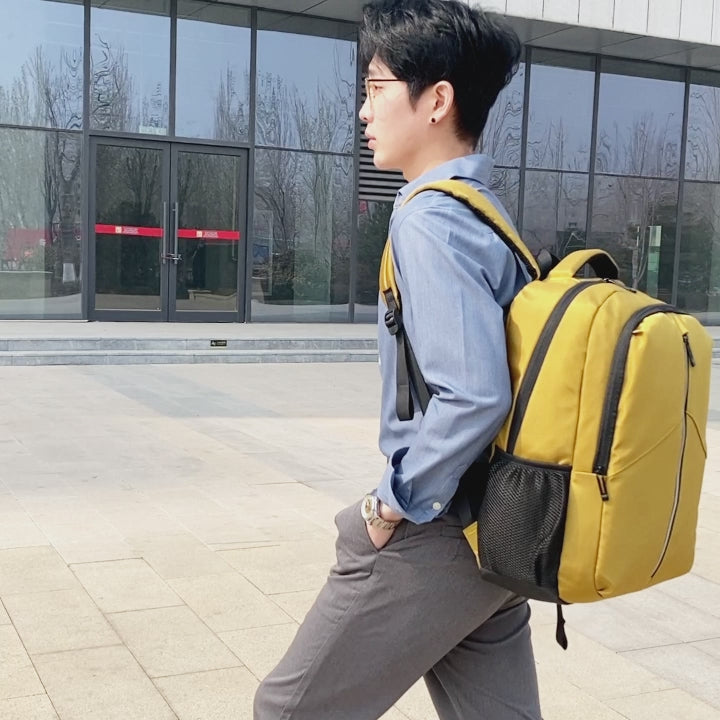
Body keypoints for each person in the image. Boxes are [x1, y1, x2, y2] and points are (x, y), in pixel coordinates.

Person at [253, 1, 541, 717]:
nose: (364, 111)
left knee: (287, 710)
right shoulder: (484, 212)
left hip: (439, 528)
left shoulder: (430, 217)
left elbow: (473, 394)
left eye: (377, 88)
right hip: (504, 521)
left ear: (436, 100)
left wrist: (388, 505)